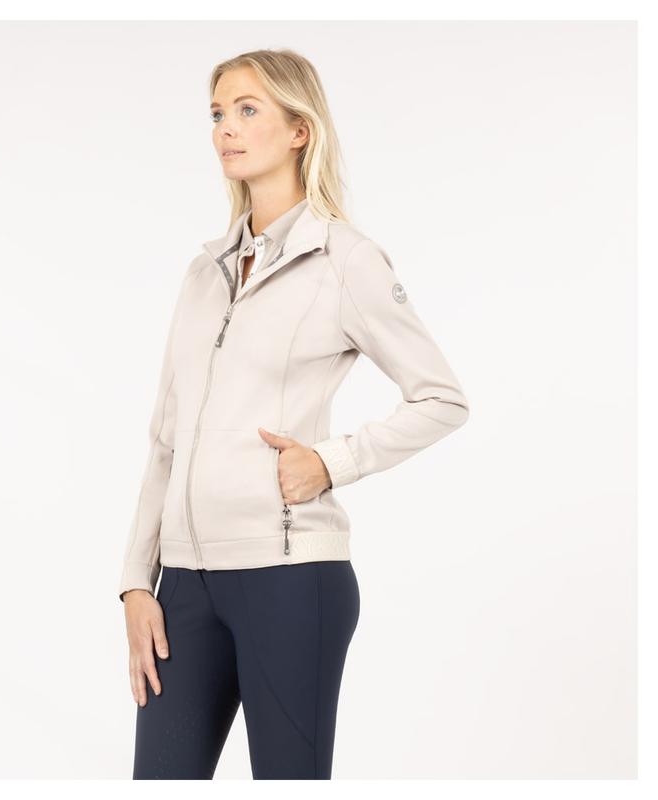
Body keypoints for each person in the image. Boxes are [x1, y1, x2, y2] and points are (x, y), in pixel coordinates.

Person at [118, 49, 470, 780]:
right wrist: (135, 583)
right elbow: (165, 439)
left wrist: (331, 462)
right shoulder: (205, 272)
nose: (226, 128)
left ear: (299, 129)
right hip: (184, 587)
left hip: (289, 578)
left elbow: (441, 398)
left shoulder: (344, 260)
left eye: (248, 110)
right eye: (218, 113)